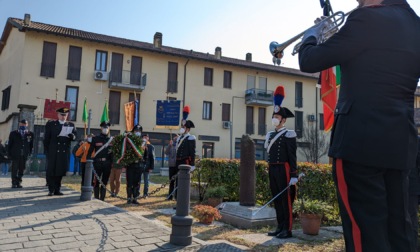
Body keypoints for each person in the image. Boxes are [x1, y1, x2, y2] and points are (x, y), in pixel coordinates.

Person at [298, 0, 420, 251]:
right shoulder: (415, 24)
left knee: (364, 233)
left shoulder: (366, 19)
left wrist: (312, 36)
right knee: (401, 230)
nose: (358, 2)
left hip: (358, 142)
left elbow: (309, 61)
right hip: (401, 142)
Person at [264, 86, 297, 239]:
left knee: (286, 200)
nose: (275, 119)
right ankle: (279, 226)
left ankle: (287, 229)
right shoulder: (270, 135)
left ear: (283, 120)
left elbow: (292, 155)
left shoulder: (289, 134)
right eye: (274, 116)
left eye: (277, 117)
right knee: (277, 198)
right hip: (273, 169)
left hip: (284, 168)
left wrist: (293, 174)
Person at [44, 108, 77, 196]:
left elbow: (75, 137)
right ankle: (51, 189)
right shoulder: (51, 124)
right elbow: (46, 139)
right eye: (62, 115)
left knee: (60, 171)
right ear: (58, 115)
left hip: (63, 152)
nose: (63, 117)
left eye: (65, 115)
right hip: (53, 151)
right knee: (51, 171)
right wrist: (47, 151)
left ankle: (57, 189)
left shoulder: (71, 125)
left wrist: (72, 136)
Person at [87, 121, 113, 201]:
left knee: (104, 181)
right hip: (97, 162)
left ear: (109, 129)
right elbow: (90, 151)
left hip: (107, 163)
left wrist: (112, 163)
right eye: (104, 127)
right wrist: (89, 161)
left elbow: (112, 153)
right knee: (97, 181)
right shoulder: (96, 139)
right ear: (101, 128)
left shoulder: (111, 140)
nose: (105, 129)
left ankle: (102, 199)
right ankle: (96, 198)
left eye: (107, 128)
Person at [175, 106, 196, 200]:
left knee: (184, 182)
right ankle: (177, 198)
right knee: (177, 181)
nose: (182, 128)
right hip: (178, 162)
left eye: (183, 127)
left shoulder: (191, 138)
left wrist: (192, 164)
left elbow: (192, 152)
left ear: (187, 129)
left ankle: (182, 199)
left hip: (185, 162)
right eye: (182, 127)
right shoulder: (179, 138)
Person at [8, 119, 34, 188]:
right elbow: (10, 144)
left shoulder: (30, 134)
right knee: (14, 169)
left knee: (22, 169)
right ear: (19, 124)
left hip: (24, 155)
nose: (23, 125)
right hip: (15, 154)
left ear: (27, 125)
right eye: (22, 124)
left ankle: (18, 182)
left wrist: (29, 153)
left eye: (25, 124)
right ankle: (14, 183)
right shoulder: (13, 133)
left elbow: (31, 145)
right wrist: (9, 154)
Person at [126, 125, 145, 204]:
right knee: (130, 181)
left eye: (139, 131)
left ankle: (135, 198)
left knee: (137, 182)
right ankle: (129, 198)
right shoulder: (129, 141)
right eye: (136, 131)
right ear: (133, 132)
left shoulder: (143, 142)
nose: (138, 132)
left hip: (139, 165)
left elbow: (145, 154)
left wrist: (144, 164)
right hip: (130, 165)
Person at [408, 136, 420, 249]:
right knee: (411, 220)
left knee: (411, 221)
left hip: (411, 187)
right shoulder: (416, 139)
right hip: (412, 187)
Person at [141, 133, 155, 198]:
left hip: (147, 166)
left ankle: (145, 194)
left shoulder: (151, 146)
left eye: (146, 137)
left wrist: (151, 167)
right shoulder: (139, 145)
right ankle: (137, 194)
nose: (145, 138)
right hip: (140, 166)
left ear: (148, 138)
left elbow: (152, 158)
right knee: (138, 181)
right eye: (144, 137)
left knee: (146, 181)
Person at [165, 135, 178, 200]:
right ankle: (170, 196)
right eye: (175, 137)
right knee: (171, 181)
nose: (175, 138)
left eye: (177, 137)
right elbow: (166, 152)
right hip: (171, 165)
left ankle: (177, 196)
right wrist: (169, 145)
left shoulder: (179, 145)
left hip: (178, 166)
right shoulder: (170, 145)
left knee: (178, 182)